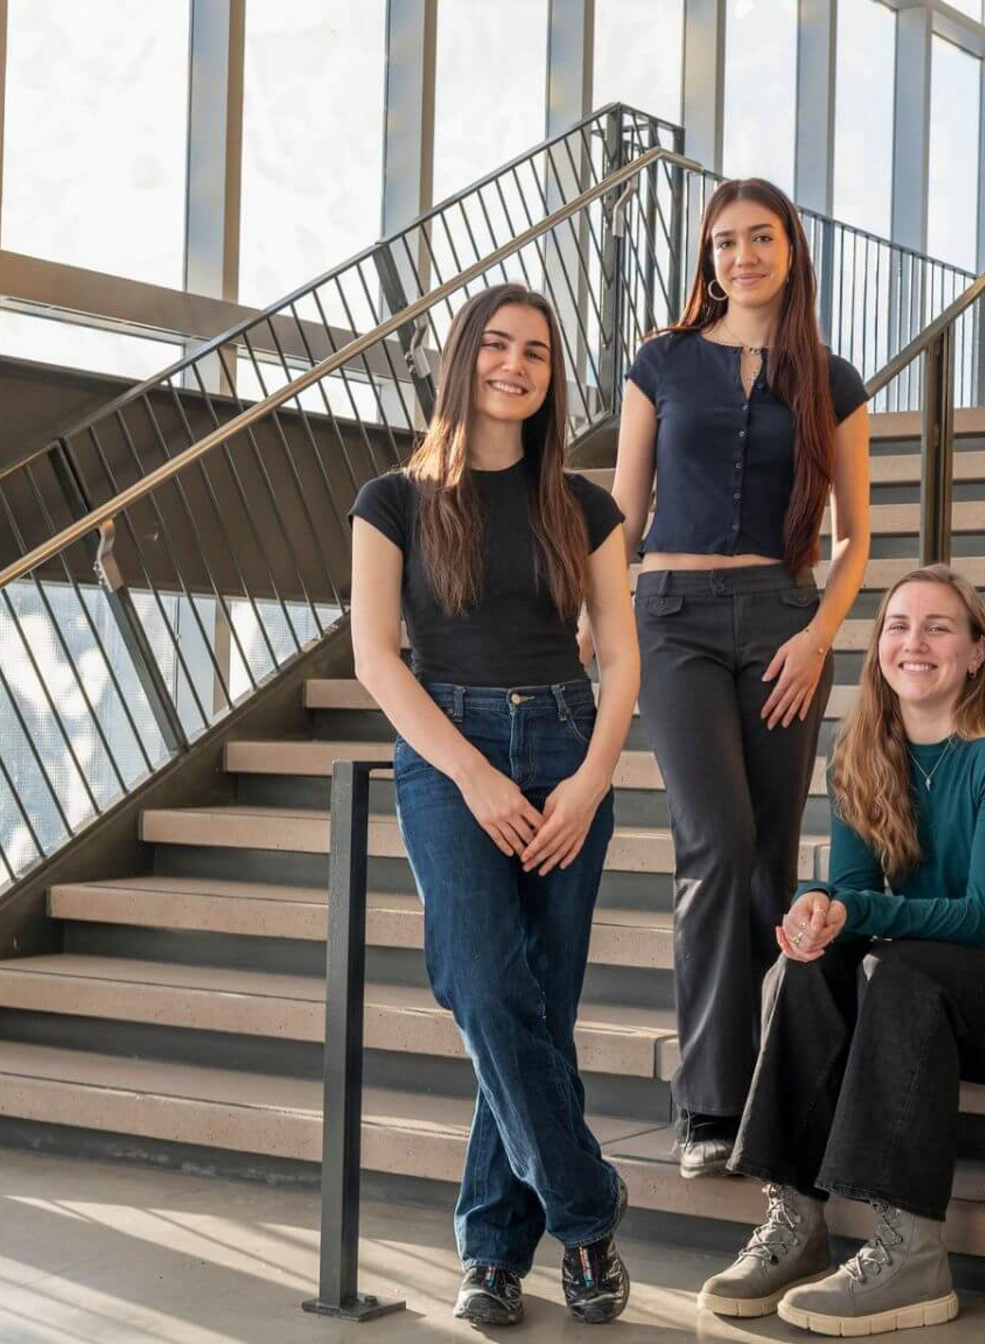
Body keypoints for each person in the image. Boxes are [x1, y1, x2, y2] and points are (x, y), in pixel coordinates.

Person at [701, 566, 985, 1336]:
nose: (913, 642)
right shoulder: (861, 748)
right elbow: (855, 901)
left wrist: (850, 904)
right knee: (815, 961)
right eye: (897, 625)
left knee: (901, 967)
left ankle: (912, 1253)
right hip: (933, 996)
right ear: (878, 650)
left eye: (938, 627)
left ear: (976, 653)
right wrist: (816, 912)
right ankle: (795, 1220)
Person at [348, 283, 639, 1326]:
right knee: (481, 981)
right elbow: (377, 661)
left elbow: (622, 661)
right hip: (445, 748)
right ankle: (588, 1208)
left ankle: (490, 1256)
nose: (515, 365)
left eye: (537, 352)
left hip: (566, 743)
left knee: (535, 1010)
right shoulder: (391, 499)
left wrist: (590, 779)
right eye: (498, 346)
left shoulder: (586, 505)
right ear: (461, 357)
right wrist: (470, 772)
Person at [610, 178, 874, 1179]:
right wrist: (594, 614)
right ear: (706, 259)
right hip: (672, 619)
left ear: (789, 251)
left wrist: (816, 636)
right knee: (713, 846)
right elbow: (623, 516)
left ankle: (763, 1082)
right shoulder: (661, 362)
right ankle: (708, 1102)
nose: (739, 256)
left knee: (767, 861)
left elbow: (853, 537)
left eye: (758, 238)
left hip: (781, 624)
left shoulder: (830, 379)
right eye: (722, 242)